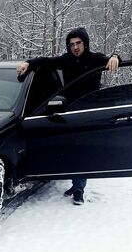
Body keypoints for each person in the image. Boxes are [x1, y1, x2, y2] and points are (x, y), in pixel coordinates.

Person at [16, 27, 120, 205]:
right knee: (72, 149)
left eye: (78, 43)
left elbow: (113, 59)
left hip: (87, 112)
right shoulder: (66, 60)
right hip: (69, 111)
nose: (75, 47)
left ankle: (79, 189)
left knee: (82, 150)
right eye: (72, 44)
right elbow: (46, 61)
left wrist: (115, 57)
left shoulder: (94, 58)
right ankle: (75, 184)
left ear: (85, 44)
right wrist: (28, 63)